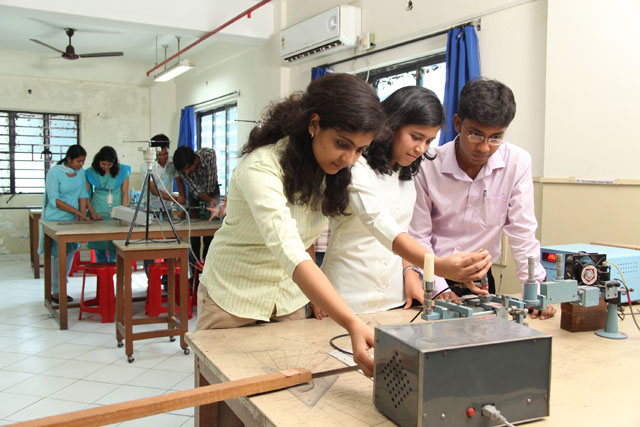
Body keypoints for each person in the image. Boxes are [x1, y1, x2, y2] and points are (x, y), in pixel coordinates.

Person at [196, 73, 386, 376]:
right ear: (314, 124)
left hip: (288, 301)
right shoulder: (261, 166)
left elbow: (304, 238)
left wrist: (314, 293)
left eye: (360, 149)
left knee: (289, 394)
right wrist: (351, 321)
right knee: (224, 402)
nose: (350, 159)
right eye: (342, 144)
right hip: (232, 299)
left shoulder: (329, 167)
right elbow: (287, 247)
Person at [320, 86, 490, 315]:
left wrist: (410, 271)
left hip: (394, 300)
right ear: (391, 126)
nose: (421, 148)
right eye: (415, 137)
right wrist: (439, 266)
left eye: (429, 141)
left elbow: (404, 232)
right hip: (345, 295)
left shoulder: (408, 172)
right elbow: (380, 224)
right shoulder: (356, 165)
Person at [407, 78, 555, 319]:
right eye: (475, 135)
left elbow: (522, 232)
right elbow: (418, 235)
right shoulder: (427, 164)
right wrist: (440, 287)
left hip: (482, 280)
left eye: (496, 137)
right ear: (457, 123)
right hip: (431, 279)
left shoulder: (517, 163)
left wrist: (534, 289)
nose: (485, 148)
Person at [39, 144, 89, 304]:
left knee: (69, 252)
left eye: (83, 161)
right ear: (69, 159)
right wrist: (77, 212)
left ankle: (62, 286)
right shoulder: (54, 173)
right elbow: (54, 199)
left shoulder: (79, 172)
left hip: (72, 220)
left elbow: (82, 193)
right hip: (55, 219)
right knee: (56, 254)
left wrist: (82, 214)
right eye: (78, 161)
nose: (81, 165)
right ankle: (55, 290)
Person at [173, 145, 219, 275]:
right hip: (196, 195)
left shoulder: (209, 155)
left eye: (188, 168)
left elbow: (210, 186)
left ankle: (207, 273)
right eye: (184, 170)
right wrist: (206, 200)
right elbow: (195, 189)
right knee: (193, 234)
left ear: (195, 160)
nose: (187, 172)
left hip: (212, 190)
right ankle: (194, 275)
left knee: (210, 235)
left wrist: (211, 201)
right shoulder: (183, 169)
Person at [140, 134, 181, 273]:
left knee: (171, 244)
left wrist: (182, 198)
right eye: (159, 154)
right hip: (150, 210)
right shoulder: (147, 165)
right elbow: (153, 190)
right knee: (148, 245)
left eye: (165, 154)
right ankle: (150, 277)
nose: (162, 158)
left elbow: (179, 181)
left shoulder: (172, 164)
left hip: (167, 210)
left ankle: (168, 276)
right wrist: (173, 199)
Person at [85, 146, 131, 262]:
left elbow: (125, 193)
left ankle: (112, 274)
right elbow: (85, 196)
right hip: (98, 212)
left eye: (109, 165)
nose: (105, 167)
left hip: (116, 213)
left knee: (115, 246)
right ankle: (103, 274)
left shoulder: (123, 171)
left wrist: (123, 213)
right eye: (103, 164)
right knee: (99, 246)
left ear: (114, 163)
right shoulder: (91, 172)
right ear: (98, 161)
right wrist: (92, 212)